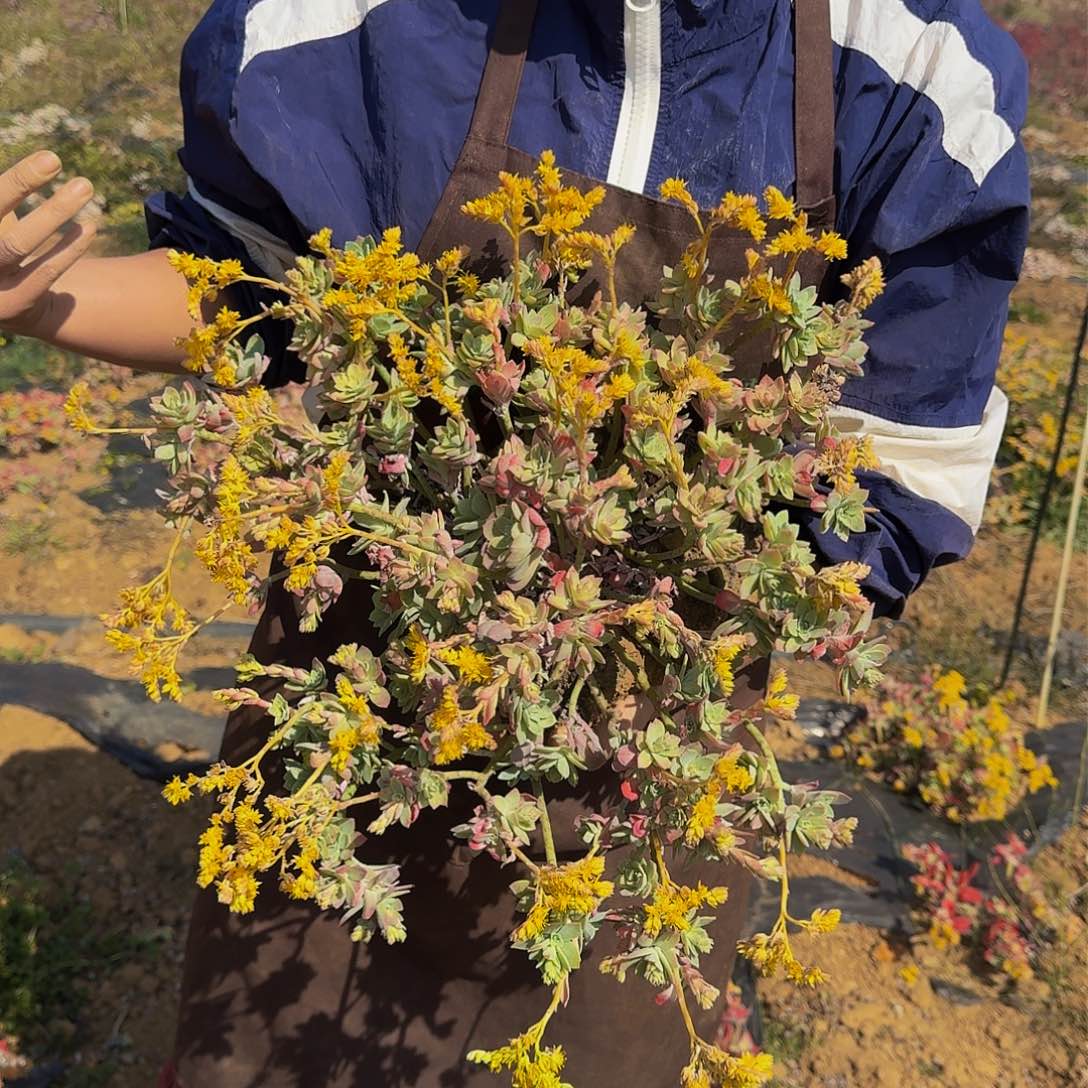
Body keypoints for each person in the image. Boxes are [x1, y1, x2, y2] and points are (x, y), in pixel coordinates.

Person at [0, 1, 1029, 1085]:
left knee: (609, 1035)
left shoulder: (919, 74)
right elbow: (252, 286)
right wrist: (44, 300)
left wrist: (664, 609)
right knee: (281, 1033)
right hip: (369, 675)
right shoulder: (353, 19)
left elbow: (896, 473)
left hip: (661, 721)